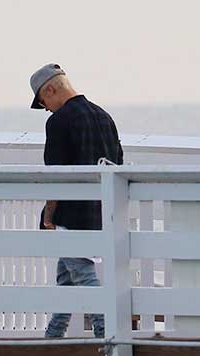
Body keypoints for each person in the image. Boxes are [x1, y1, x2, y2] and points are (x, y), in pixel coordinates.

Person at [29, 63, 123, 338]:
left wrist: (48, 214)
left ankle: (108, 335)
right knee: (67, 276)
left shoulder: (59, 121)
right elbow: (118, 164)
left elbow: (56, 174)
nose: (46, 108)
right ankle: (54, 336)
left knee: (82, 275)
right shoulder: (104, 117)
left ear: (51, 88)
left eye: (44, 101)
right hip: (100, 211)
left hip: (72, 215)